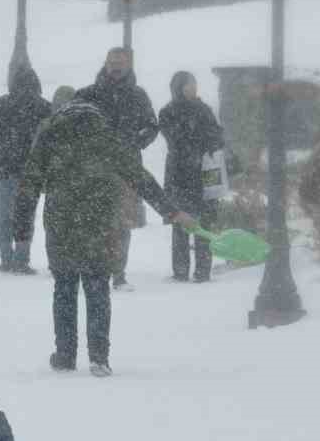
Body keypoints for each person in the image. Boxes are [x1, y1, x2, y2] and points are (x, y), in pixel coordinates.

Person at [14, 97, 194, 377]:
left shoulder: (49, 137)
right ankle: (99, 357)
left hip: (61, 224)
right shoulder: (106, 138)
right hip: (99, 223)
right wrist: (170, 211)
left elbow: (30, 183)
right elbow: (139, 177)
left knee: (64, 288)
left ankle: (65, 355)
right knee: (98, 287)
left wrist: (22, 229)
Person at [73, 48, 159, 291]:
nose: (116, 66)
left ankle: (119, 274)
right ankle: (94, 270)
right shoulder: (89, 94)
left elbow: (151, 126)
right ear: (105, 63)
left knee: (121, 223)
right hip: (94, 168)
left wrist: (135, 142)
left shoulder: (138, 95)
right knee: (95, 221)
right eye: (112, 62)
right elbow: (71, 125)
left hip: (127, 169)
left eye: (120, 62)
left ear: (129, 64)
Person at [0, 66, 52, 274]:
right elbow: (52, 137)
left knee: (5, 215)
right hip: (32, 170)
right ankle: (22, 258)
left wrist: (0, 152)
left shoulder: (0, 104)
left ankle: (5, 258)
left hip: (3, 170)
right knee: (26, 214)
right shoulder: (43, 106)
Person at [158, 71, 227, 283]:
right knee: (180, 220)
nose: (194, 87)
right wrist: (198, 142)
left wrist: (209, 144)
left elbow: (217, 135)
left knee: (205, 222)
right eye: (189, 84)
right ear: (179, 87)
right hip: (179, 173)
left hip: (205, 170)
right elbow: (175, 139)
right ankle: (180, 271)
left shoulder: (204, 109)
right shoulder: (168, 111)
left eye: (195, 83)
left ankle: (203, 271)